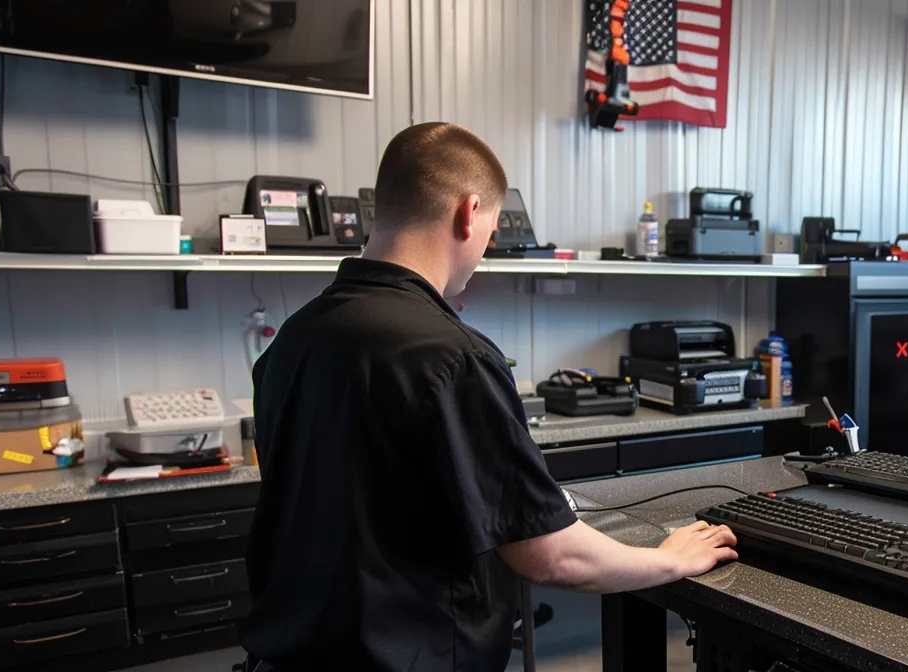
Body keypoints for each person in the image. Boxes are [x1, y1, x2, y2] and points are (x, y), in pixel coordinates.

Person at [243, 122, 738, 671]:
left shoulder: (294, 338)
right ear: (468, 211)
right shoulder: (453, 357)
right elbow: (550, 556)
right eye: (491, 227)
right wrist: (667, 560)